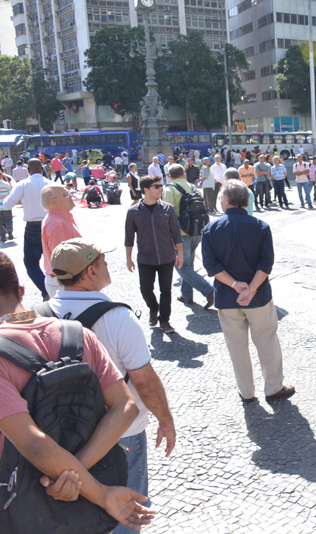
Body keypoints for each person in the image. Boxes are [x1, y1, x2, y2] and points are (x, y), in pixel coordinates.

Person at [0, 250, 156, 532]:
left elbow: (34, 444)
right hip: (91, 491)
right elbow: (126, 406)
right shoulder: (79, 334)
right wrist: (80, 474)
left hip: (23, 502)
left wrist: (84, 484)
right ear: (20, 290)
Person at [47, 238, 175, 534]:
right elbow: (144, 380)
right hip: (120, 433)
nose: (107, 266)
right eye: (103, 261)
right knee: (126, 513)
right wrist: (165, 420)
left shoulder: (40, 314)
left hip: (62, 435)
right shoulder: (117, 317)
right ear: (91, 272)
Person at [201, 180, 295, 404]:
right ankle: (273, 387)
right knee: (267, 341)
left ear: (225, 200)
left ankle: (246, 391)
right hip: (259, 296)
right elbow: (266, 263)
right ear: (246, 201)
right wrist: (251, 288)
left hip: (227, 297)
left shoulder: (211, 229)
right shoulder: (260, 226)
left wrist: (236, 285)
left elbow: (211, 266)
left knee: (236, 347)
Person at [125, 175, 184, 334]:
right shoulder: (133, 212)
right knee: (145, 289)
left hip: (166, 257)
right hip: (145, 258)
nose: (160, 189)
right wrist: (128, 258)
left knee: (166, 290)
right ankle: (153, 308)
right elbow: (129, 238)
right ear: (146, 190)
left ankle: (165, 320)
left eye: (161, 186)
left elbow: (176, 234)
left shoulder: (168, 209)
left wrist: (180, 254)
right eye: (157, 186)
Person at [162, 164, 214, 308]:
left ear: (169, 176)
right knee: (188, 265)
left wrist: (169, 236)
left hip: (180, 234)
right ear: (184, 173)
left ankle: (209, 291)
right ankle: (186, 295)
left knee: (181, 266)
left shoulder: (170, 189)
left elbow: (167, 214)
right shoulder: (193, 188)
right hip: (197, 230)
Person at [3, 158, 54, 298]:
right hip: (51, 225)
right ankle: (58, 291)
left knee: (31, 264)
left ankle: (46, 291)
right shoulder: (51, 184)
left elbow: (7, 204)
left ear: (28, 170)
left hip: (33, 228)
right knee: (55, 262)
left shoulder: (23, 184)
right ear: (42, 168)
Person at [40, 184, 82, 298]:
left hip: (64, 282)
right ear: (53, 202)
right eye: (65, 195)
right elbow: (62, 261)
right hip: (65, 283)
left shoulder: (58, 219)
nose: (71, 196)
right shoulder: (57, 223)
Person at [0, 170, 14, 243]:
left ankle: (2, 236)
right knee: (8, 219)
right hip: (6, 206)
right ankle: (9, 229)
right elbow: (11, 194)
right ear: (0, 176)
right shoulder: (6, 184)